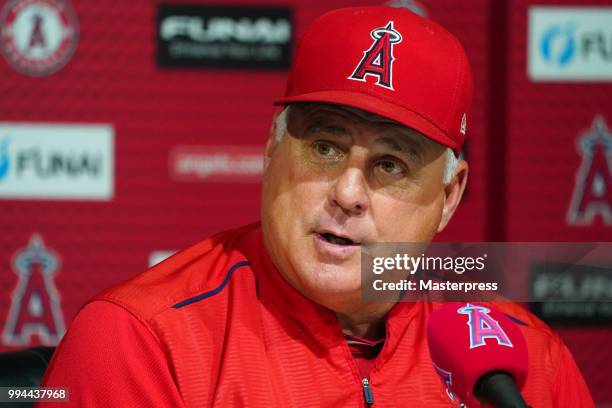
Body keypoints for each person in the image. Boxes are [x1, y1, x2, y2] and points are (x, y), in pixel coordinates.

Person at [39, 6, 593, 407]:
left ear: (449, 196)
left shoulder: (526, 366)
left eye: (391, 165)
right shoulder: (143, 342)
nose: (348, 193)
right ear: (272, 148)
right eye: (325, 149)